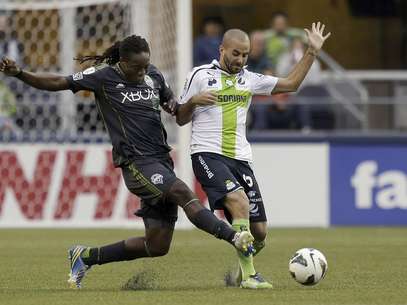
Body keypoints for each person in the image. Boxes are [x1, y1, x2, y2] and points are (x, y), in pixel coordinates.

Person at [0, 35, 255, 289]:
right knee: (182, 192)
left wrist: (192, 102)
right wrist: (20, 73)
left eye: (146, 66)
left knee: (157, 245)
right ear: (122, 62)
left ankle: (86, 256)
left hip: (161, 161)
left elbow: (175, 109)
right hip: (135, 163)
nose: (142, 71)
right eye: (137, 67)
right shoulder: (102, 76)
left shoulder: (153, 76)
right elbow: (58, 82)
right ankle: (234, 237)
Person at [176, 22, 330, 289]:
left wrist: (311, 52)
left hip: (241, 159)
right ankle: (250, 276)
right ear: (222, 49)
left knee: (259, 233)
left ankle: (238, 273)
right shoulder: (199, 75)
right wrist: (193, 102)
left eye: (245, 55)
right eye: (236, 53)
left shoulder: (250, 79)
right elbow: (179, 118)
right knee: (238, 201)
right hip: (207, 154)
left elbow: (291, 84)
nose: (240, 59)